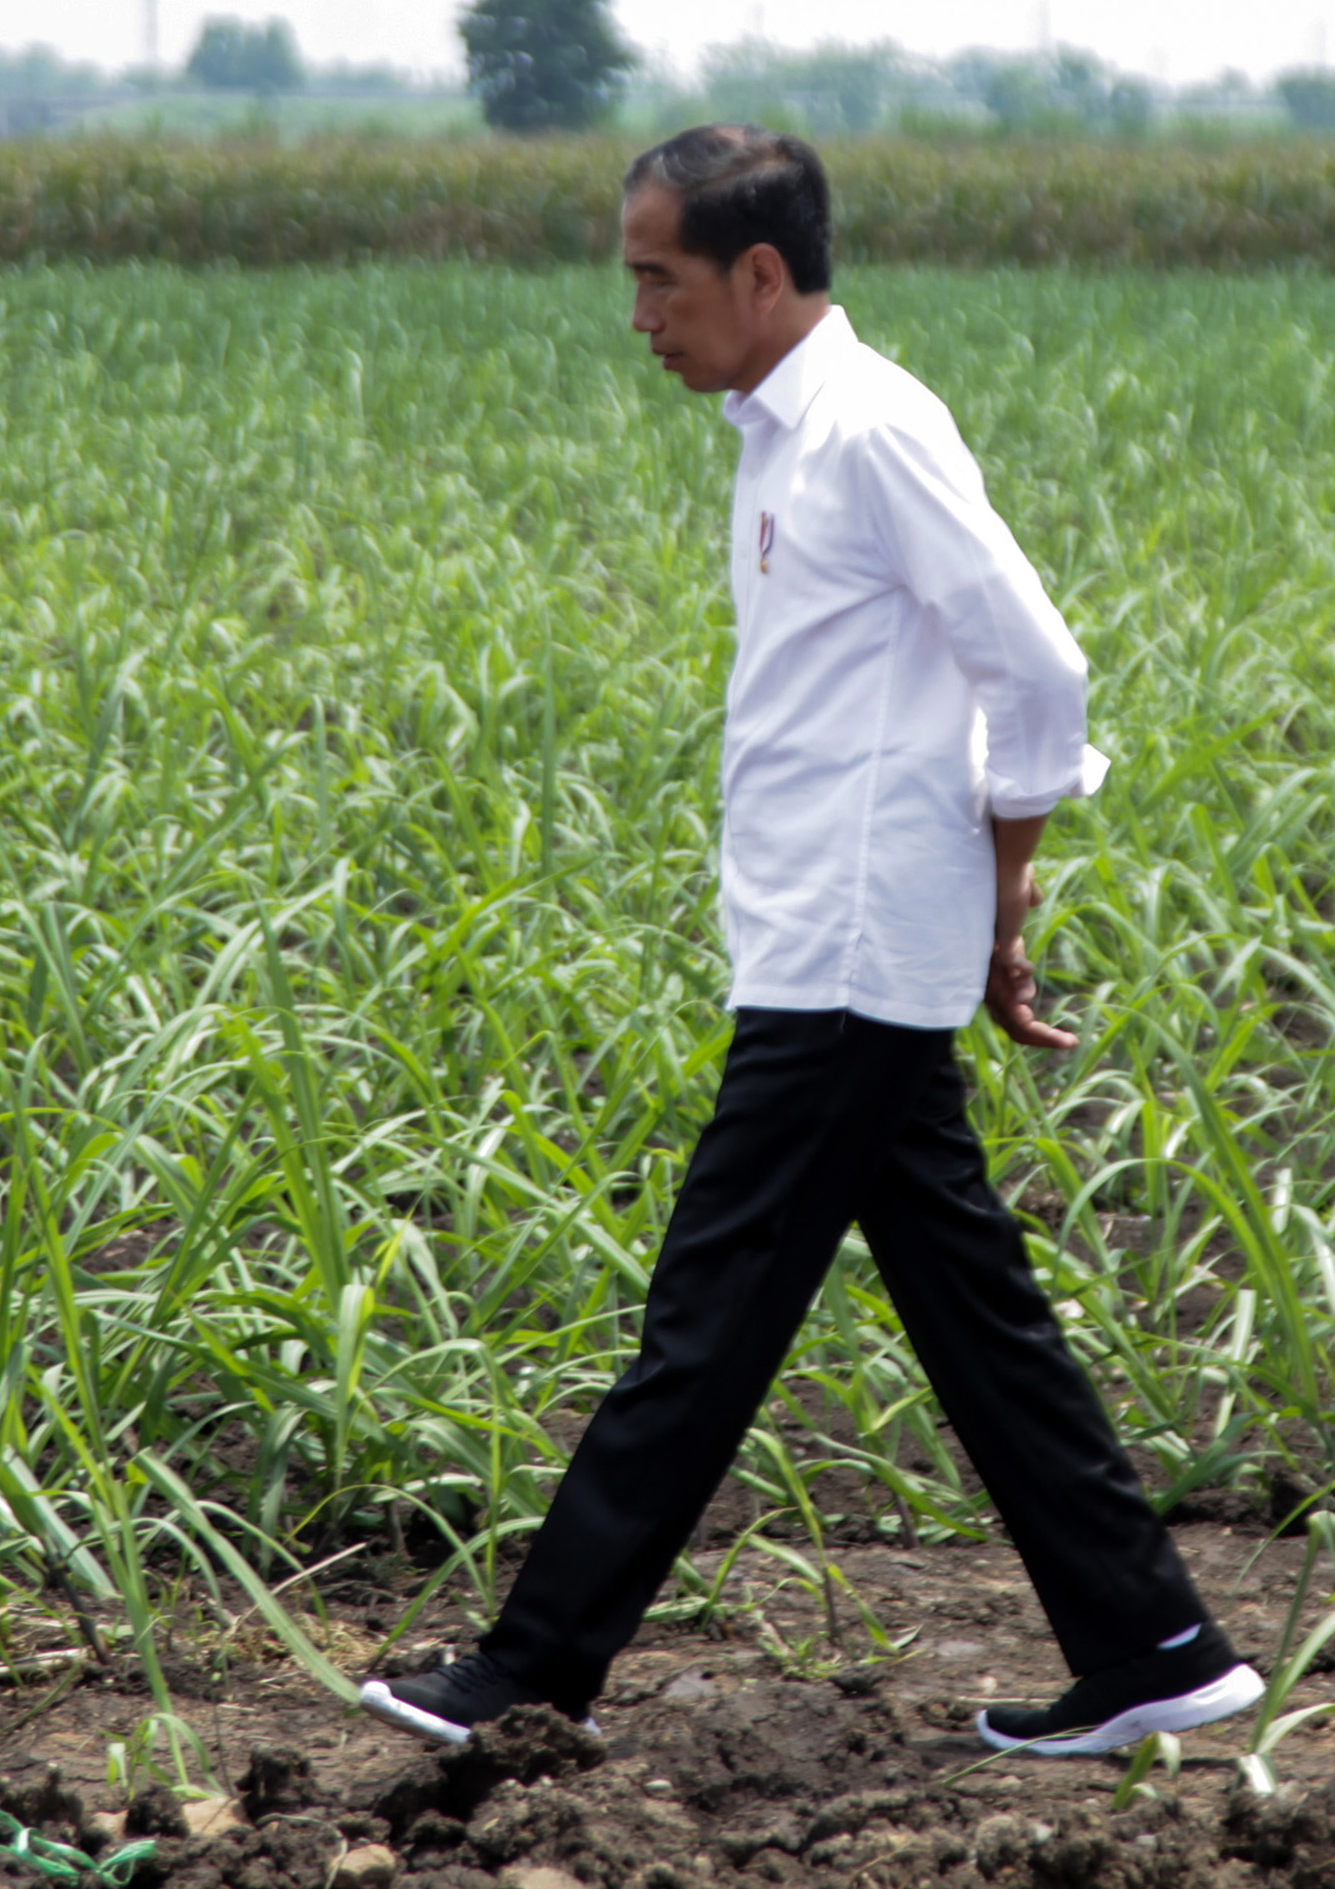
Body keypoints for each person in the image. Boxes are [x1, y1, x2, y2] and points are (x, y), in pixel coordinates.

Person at [358, 126, 1261, 1760]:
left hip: (848, 962)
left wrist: (1001, 889)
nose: (639, 312)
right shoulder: (770, 433)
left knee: (702, 1328)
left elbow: (1038, 670)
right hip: (821, 943)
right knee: (973, 1313)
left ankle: (532, 1669)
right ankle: (1152, 1642)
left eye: (660, 276)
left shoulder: (871, 429)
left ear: (759, 274)